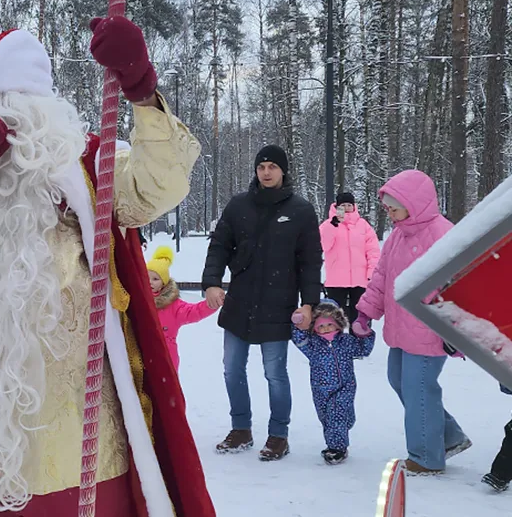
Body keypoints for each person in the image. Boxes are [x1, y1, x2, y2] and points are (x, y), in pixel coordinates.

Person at [0, 17, 215, 517]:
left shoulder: (87, 167)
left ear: (38, 107)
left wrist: (142, 91)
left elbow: (155, 189)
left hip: (85, 435)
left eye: (8, 102)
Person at [201, 144, 322, 461]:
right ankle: (241, 428)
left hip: (279, 304)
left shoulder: (301, 210)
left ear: (283, 171)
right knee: (231, 369)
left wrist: (309, 303)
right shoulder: (239, 206)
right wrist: (212, 282)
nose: (266, 172)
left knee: (275, 373)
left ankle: (278, 434)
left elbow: (310, 263)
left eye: (272, 167)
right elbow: (219, 247)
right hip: (240, 302)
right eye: (261, 167)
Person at [353, 170, 471, 475]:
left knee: (418, 387)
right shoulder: (397, 235)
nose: (389, 212)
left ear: (413, 202)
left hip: (431, 329)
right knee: (398, 379)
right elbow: (381, 278)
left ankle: (426, 457)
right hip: (400, 327)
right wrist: (366, 311)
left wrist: (457, 330)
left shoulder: (443, 233)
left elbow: (461, 283)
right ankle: (449, 436)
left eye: (394, 206)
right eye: (388, 207)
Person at [289, 299, 374, 465]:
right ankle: (340, 431)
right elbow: (299, 339)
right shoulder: (312, 345)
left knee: (336, 413)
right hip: (321, 390)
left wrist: (365, 332)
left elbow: (363, 349)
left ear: (338, 323)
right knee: (327, 419)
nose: (325, 328)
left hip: (345, 387)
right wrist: (299, 323)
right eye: (320, 326)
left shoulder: (346, 341)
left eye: (329, 324)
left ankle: (337, 449)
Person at [146, 246, 215, 369]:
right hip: (143, 356)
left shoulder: (173, 305)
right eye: (147, 277)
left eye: (155, 279)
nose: (150, 282)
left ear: (164, 282)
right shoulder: (140, 301)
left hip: (166, 358)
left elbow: (194, 311)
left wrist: (211, 304)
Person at [320, 192, 380, 324]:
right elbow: (323, 245)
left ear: (354, 206)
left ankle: (359, 342)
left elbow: (373, 251)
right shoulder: (327, 225)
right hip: (336, 280)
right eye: (343, 205)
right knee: (335, 320)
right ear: (337, 206)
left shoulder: (363, 225)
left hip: (360, 280)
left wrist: (371, 273)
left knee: (359, 319)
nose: (347, 208)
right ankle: (336, 343)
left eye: (349, 205)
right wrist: (334, 224)